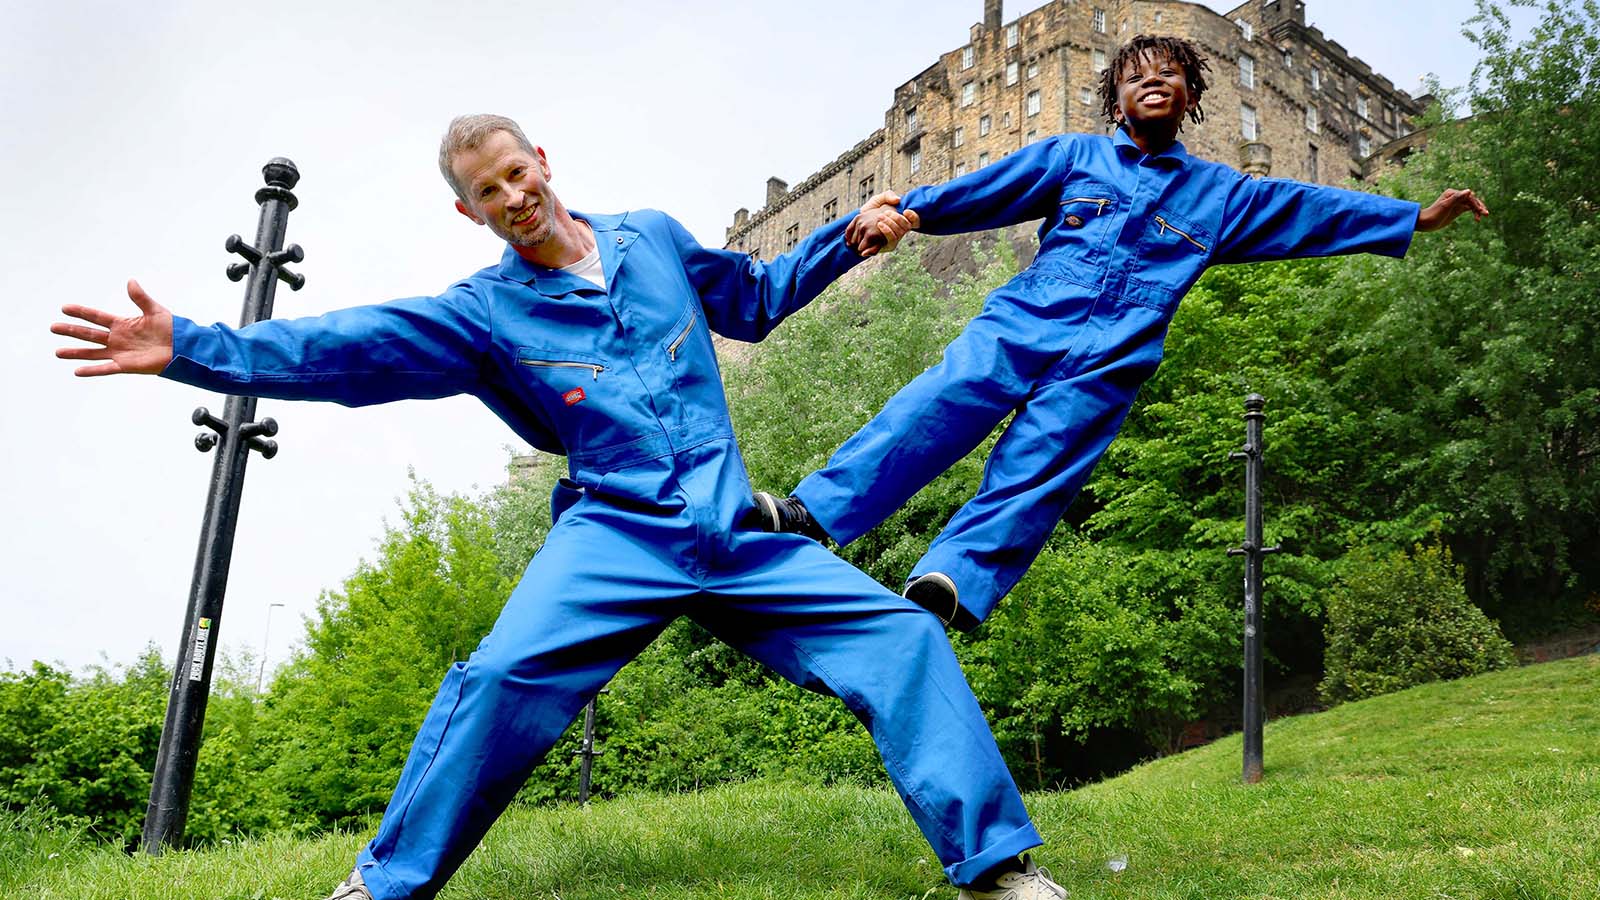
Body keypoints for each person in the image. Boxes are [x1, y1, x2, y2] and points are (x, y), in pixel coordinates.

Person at [51, 115, 1063, 900]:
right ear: (472, 213)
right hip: (615, 534)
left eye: (516, 173)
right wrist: (193, 346)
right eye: (489, 193)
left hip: (728, 527)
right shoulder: (484, 314)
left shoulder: (651, 239)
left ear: (540, 158)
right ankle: (381, 883)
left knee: (899, 638)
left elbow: (755, 298)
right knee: (496, 678)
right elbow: (350, 348)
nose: (513, 197)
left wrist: (852, 241)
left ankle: (998, 867)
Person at [756, 34, 1489, 631]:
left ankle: (953, 577)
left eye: (1173, 75)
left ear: (1193, 98)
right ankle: (813, 510)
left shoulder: (1223, 195)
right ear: (1117, 96)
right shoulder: (1075, 156)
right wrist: (909, 213)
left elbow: (1312, 210)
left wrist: (1414, 217)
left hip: (1112, 352)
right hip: (1028, 318)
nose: (1157, 83)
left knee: (1045, 461)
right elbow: (988, 189)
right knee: (939, 401)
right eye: (1140, 75)